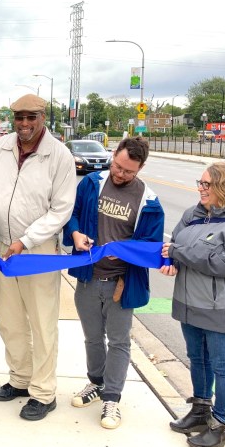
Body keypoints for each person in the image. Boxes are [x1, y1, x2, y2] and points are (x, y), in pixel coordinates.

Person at [0, 94, 77, 421]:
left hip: (38, 252)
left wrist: (26, 240)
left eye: (31, 117)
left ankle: (43, 393)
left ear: (43, 117)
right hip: (4, 245)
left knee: (43, 321)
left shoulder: (59, 155)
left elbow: (61, 210)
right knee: (10, 319)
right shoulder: (2, 147)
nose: (25, 124)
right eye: (19, 117)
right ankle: (20, 378)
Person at [63, 136, 164, 429]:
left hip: (121, 283)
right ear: (114, 155)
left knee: (119, 341)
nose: (120, 174)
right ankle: (95, 382)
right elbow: (74, 216)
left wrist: (127, 253)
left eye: (128, 171)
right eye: (118, 167)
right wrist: (75, 234)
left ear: (141, 168)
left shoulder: (150, 202)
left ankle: (112, 398)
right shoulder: (92, 183)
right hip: (88, 278)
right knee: (92, 337)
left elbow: (151, 247)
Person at [160, 162, 225, 447]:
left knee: (224, 367)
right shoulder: (194, 215)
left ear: (224, 188)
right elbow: (174, 243)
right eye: (199, 183)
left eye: (206, 185)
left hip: (222, 308)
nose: (200, 189)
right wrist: (173, 260)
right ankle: (200, 410)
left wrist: (181, 254)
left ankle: (220, 425)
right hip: (190, 303)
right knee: (197, 359)